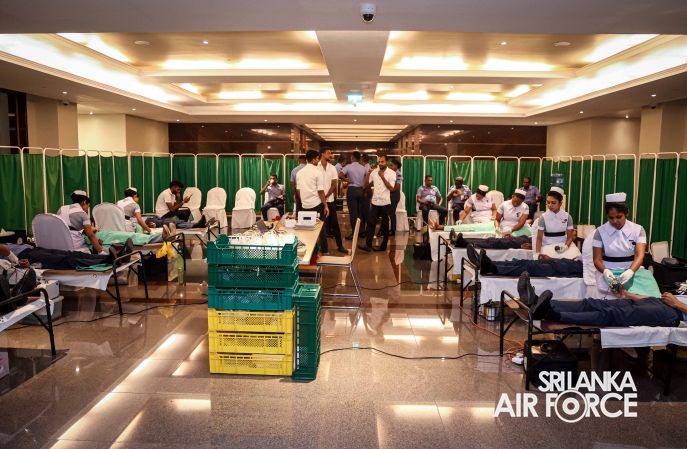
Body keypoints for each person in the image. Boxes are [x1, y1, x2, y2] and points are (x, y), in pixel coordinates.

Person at [520, 273, 686, 328]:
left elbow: (677, 303)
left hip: (673, 313)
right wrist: (628, 295)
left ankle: (553, 314)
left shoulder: (675, 307)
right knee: (592, 303)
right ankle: (535, 302)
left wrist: (677, 304)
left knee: (611, 314)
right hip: (659, 302)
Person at [592, 193, 647, 298]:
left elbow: (639, 256)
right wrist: (605, 271)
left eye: (619, 217)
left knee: (649, 297)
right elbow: (597, 259)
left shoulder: (638, 230)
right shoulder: (600, 232)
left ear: (627, 213)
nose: (615, 221)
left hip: (633, 270)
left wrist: (630, 272)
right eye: (610, 218)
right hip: (610, 272)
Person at [0, 240, 134, 271]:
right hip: (25, 256)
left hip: (30, 249)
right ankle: (108, 261)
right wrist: (15, 260)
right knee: (66, 260)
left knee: (73, 254)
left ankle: (117, 256)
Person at [467, 243, 582, 277]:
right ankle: (489, 263)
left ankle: (493, 268)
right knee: (525, 262)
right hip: (572, 262)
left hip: (579, 268)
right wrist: (551, 258)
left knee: (533, 267)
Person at [358, 154, 396, 252]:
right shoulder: (374, 172)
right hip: (375, 202)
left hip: (385, 202)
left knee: (385, 225)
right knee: (371, 223)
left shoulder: (391, 173)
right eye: (379, 161)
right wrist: (369, 173)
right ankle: (368, 245)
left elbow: (391, 188)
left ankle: (383, 246)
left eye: (382, 161)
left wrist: (382, 177)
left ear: (386, 162)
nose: (380, 163)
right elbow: (366, 184)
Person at [297, 149, 330, 255]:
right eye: (317, 159)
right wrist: (325, 205)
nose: (318, 161)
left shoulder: (299, 173)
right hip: (316, 205)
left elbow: (299, 190)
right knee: (321, 228)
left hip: (305, 205)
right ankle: (324, 251)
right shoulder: (317, 172)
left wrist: (303, 201)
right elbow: (320, 191)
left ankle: (309, 251)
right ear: (313, 159)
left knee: (307, 229)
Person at [318, 148, 348, 254]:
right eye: (328, 153)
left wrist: (326, 196)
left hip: (330, 200)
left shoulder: (332, 168)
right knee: (319, 225)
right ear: (322, 154)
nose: (330, 155)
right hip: (318, 201)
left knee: (335, 223)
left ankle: (340, 245)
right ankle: (320, 247)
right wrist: (322, 197)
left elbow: (334, 184)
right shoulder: (316, 167)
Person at [535, 186, 574, 258]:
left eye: (553, 203)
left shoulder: (567, 217)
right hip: (547, 245)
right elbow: (539, 238)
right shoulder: (543, 217)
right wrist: (537, 253)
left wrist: (565, 247)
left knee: (574, 259)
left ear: (560, 203)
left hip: (564, 244)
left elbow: (570, 237)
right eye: (548, 202)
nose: (550, 205)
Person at [339, 151, 368, 239]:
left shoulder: (348, 167)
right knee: (360, 212)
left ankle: (354, 233)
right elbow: (368, 178)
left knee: (353, 213)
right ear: (359, 158)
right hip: (360, 190)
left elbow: (340, 175)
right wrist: (364, 186)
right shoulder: (363, 168)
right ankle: (362, 231)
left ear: (352, 157)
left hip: (352, 190)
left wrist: (347, 180)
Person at [388, 159, 403, 236]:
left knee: (391, 212)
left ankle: (393, 230)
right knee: (386, 212)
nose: (390, 167)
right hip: (389, 194)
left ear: (396, 166)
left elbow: (397, 186)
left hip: (394, 194)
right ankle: (385, 229)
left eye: (392, 165)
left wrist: (390, 190)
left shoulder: (398, 174)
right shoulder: (390, 173)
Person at [360, 154, 373, 235]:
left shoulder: (368, 169)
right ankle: (364, 229)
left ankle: (368, 229)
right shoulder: (366, 167)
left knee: (366, 211)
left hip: (366, 191)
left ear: (362, 160)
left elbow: (369, 182)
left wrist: (366, 192)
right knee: (364, 210)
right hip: (365, 190)